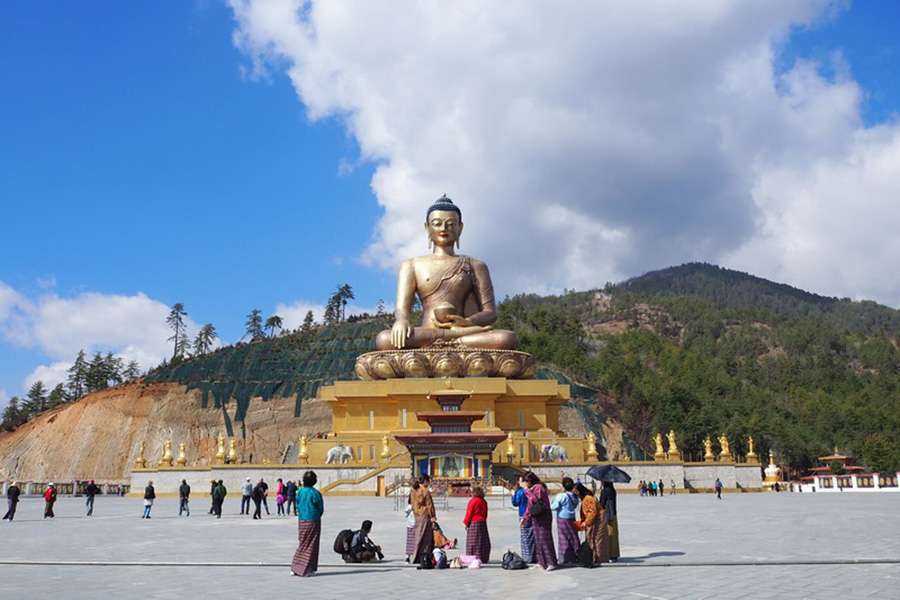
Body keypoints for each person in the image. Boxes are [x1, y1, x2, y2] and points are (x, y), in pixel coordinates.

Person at [521, 471, 558, 571]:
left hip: (544, 516)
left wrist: (527, 491)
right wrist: (525, 518)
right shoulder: (531, 489)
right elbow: (530, 506)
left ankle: (551, 562)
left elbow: (536, 500)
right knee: (537, 540)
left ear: (530, 481)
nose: (525, 483)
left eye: (526, 481)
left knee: (545, 539)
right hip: (536, 516)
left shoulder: (538, 487)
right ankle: (541, 561)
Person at [291, 470, 324, 577]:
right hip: (313, 520)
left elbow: (297, 504)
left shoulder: (300, 491)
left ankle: (296, 567)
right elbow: (320, 508)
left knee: (303, 542)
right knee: (311, 544)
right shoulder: (315, 493)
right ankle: (306, 569)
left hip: (302, 520)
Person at [574, 482, 609, 566]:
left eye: (576, 492)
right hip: (595, 519)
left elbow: (592, 512)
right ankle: (596, 557)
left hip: (598, 520)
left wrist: (586, 522)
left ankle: (598, 558)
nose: (576, 494)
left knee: (597, 539)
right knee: (594, 538)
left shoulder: (588, 498)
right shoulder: (586, 498)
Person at [551, 476, 580, 565]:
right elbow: (575, 505)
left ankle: (564, 557)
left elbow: (554, 507)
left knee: (563, 538)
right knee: (573, 536)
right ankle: (575, 555)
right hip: (572, 517)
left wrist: (553, 500)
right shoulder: (574, 496)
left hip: (562, 518)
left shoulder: (561, 496)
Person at [410, 474, 436, 569]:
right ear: (425, 481)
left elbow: (411, 502)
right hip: (425, 515)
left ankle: (415, 556)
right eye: (428, 481)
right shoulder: (425, 491)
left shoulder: (413, 489)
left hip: (416, 515)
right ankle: (423, 556)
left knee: (418, 535)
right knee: (426, 537)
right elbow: (430, 506)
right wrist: (433, 517)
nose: (429, 483)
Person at [463, 485, 491, 563]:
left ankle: (472, 557)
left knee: (473, 542)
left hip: (474, 523)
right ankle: (482, 557)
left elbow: (469, 513)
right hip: (482, 523)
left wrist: (466, 523)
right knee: (482, 541)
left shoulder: (473, 501)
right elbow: (485, 514)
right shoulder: (484, 501)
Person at [511, 477, 535, 563]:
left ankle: (527, 557)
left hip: (523, 515)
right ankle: (533, 555)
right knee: (532, 536)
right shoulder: (532, 490)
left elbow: (515, 503)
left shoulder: (520, 492)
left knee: (525, 536)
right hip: (533, 514)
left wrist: (513, 495)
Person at [600, 481, 620, 562]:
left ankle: (609, 554)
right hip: (613, 515)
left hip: (607, 516)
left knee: (608, 535)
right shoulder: (613, 490)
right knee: (614, 536)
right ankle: (614, 554)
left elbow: (601, 503)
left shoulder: (605, 491)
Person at [404, 493, 417, 563]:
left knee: (417, 542)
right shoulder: (409, 506)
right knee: (410, 542)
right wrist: (411, 508)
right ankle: (407, 556)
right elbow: (405, 513)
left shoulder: (418, 506)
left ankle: (415, 556)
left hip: (417, 526)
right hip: (410, 526)